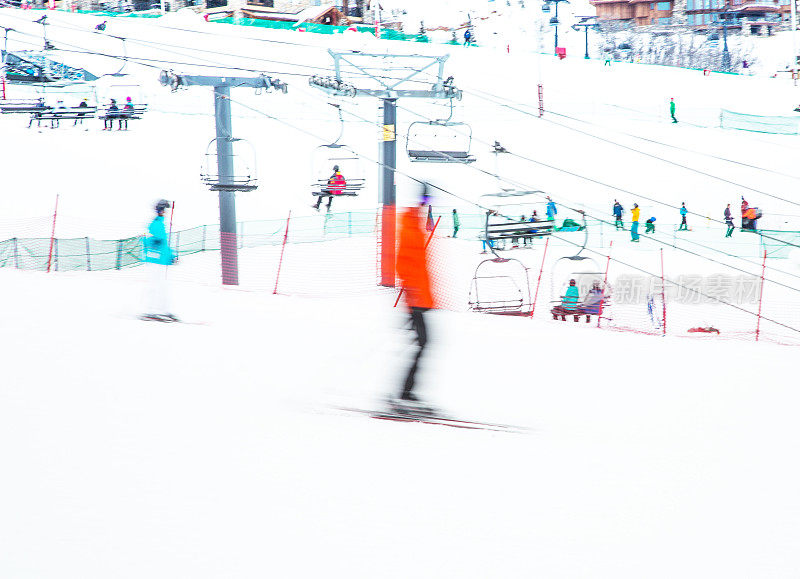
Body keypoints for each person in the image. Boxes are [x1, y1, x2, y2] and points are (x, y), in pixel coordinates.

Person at [395, 193, 436, 409]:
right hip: (416, 301)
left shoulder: (416, 228)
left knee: (422, 344)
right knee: (423, 344)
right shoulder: (410, 230)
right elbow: (403, 265)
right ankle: (404, 393)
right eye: (427, 201)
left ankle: (406, 392)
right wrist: (413, 296)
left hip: (421, 300)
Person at [141, 199, 177, 322]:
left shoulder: (159, 224)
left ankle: (163, 310)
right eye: (164, 210)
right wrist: (153, 243)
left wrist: (171, 256)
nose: (165, 212)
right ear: (160, 210)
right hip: (155, 260)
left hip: (159, 260)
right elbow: (149, 240)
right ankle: (150, 310)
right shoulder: (155, 224)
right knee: (156, 285)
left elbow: (163, 243)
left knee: (162, 286)